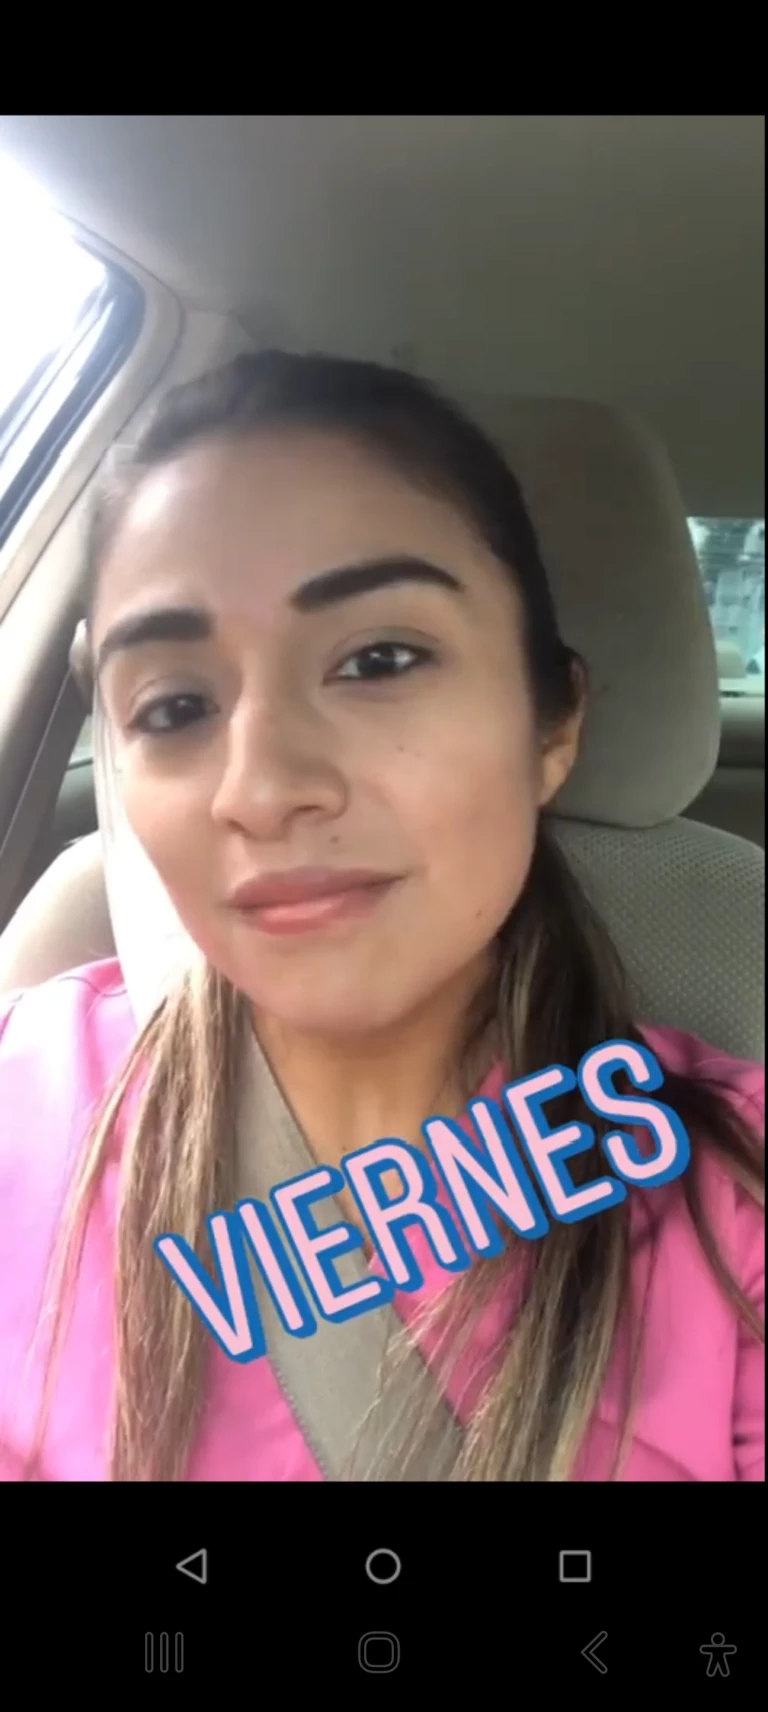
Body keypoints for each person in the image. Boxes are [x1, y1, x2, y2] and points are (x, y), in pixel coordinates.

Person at [0, 351, 763, 1482]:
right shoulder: (26, 1097)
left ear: (553, 723)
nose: (261, 789)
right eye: (175, 705)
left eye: (378, 659)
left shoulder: (735, 1199)